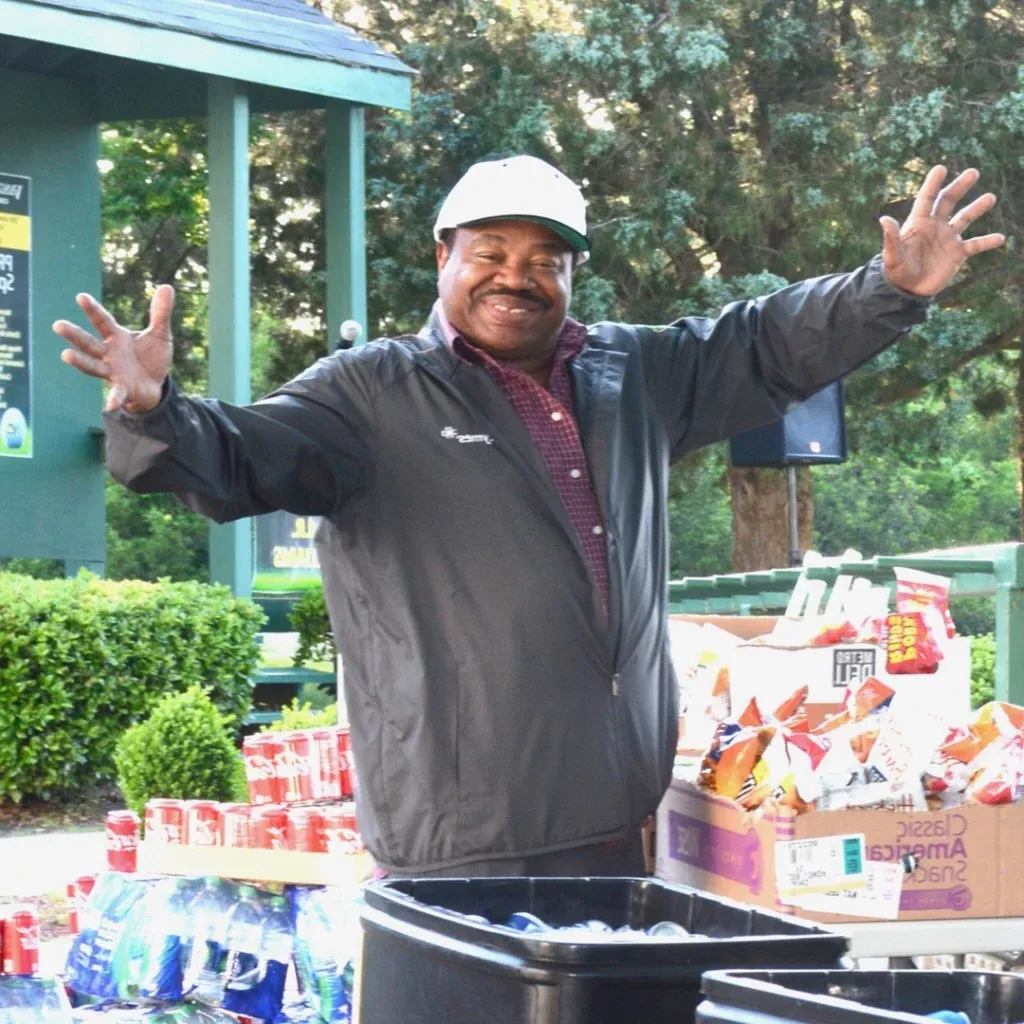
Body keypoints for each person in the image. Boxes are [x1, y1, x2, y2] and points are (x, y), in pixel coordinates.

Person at [54, 156, 1004, 878]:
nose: (518, 277)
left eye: (545, 259)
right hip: (462, 834)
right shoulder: (368, 395)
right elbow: (232, 459)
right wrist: (153, 412)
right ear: (445, 257)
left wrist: (889, 292)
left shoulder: (632, 373)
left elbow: (759, 344)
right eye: (492, 253)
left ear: (572, 273)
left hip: (617, 815)